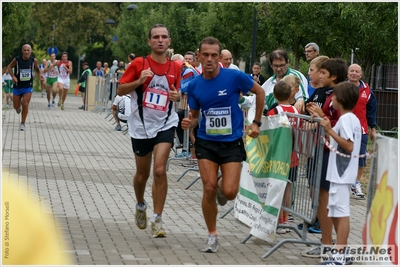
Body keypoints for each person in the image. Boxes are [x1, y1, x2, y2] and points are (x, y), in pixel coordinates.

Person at [180, 36, 265, 253]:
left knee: (229, 192)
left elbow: (260, 92)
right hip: (207, 142)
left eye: (213, 55)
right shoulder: (194, 86)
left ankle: (221, 187)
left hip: (231, 143)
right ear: (198, 57)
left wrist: (256, 122)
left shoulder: (234, 77)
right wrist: (191, 121)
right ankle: (212, 235)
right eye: (205, 55)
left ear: (219, 58)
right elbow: (196, 116)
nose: (209, 59)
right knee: (208, 188)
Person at [117, 24, 182, 238]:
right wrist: (139, 81)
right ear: (149, 42)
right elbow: (120, 89)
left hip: (166, 123)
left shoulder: (175, 67)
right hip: (141, 126)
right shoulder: (139, 63)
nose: (160, 40)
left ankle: (157, 219)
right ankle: (140, 204)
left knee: (160, 170)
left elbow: (177, 93)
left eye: (164, 37)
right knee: (142, 175)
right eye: (156, 37)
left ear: (169, 41)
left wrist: (177, 97)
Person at [302, 58, 348, 258]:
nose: (319, 76)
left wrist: (322, 117)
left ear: (334, 77)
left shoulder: (340, 96)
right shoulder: (326, 94)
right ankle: (326, 243)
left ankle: (338, 247)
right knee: (322, 200)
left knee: (331, 202)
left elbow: (340, 126)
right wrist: (316, 116)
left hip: (333, 155)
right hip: (322, 152)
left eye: (323, 73)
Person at [313, 82, 362, 265]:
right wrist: (327, 130)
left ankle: (340, 254)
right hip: (338, 173)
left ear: (340, 99)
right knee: (334, 211)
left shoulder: (347, 119)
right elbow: (337, 142)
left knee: (341, 213)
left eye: (333, 96)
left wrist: (329, 130)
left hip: (342, 173)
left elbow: (348, 146)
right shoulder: (350, 119)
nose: (331, 99)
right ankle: (344, 250)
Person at [266, 80, 300, 234]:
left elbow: (270, 132)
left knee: (277, 187)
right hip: (293, 155)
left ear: (274, 95)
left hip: (278, 155)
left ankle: (279, 220)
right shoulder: (295, 110)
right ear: (291, 94)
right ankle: (286, 218)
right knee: (288, 187)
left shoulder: (274, 111)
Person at [347, 63, 377, 199]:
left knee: (361, 157)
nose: (354, 73)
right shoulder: (341, 88)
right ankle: (344, 182)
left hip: (361, 130)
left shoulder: (367, 90)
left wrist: (373, 128)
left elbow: (371, 110)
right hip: (344, 128)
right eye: (351, 71)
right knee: (344, 156)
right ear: (347, 73)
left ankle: (356, 183)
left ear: (361, 74)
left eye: (357, 71)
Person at [7, 44, 44, 131]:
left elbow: (37, 69)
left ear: (30, 51)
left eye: (28, 50)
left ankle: (23, 123)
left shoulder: (33, 60)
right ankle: (17, 107)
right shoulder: (17, 60)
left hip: (28, 86)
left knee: (25, 103)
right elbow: (9, 67)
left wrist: (40, 75)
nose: (26, 52)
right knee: (16, 106)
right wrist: (13, 76)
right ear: (22, 51)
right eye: (25, 50)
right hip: (17, 85)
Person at [262, 49, 308, 113]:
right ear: (271, 65)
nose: (278, 69)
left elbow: (303, 98)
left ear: (288, 62)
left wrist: (300, 100)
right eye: (275, 66)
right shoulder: (269, 82)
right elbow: (255, 99)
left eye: (281, 65)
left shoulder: (296, 76)